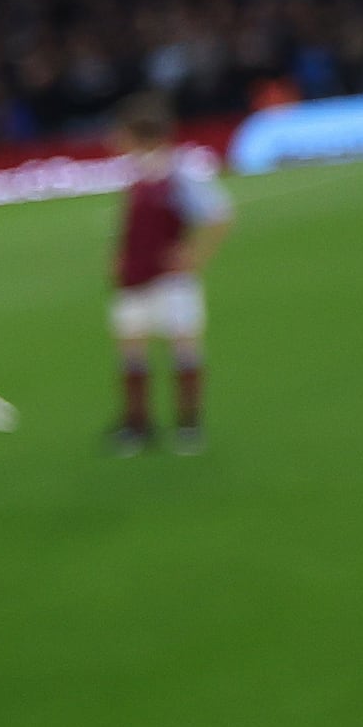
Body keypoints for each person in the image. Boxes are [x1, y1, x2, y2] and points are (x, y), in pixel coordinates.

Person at [104, 90, 230, 455]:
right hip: (134, 276)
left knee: (182, 346)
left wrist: (194, 254)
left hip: (169, 279)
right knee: (132, 347)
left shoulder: (176, 173)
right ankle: (137, 424)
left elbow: (219, 214)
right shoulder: (139, 175)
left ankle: (189, 424)